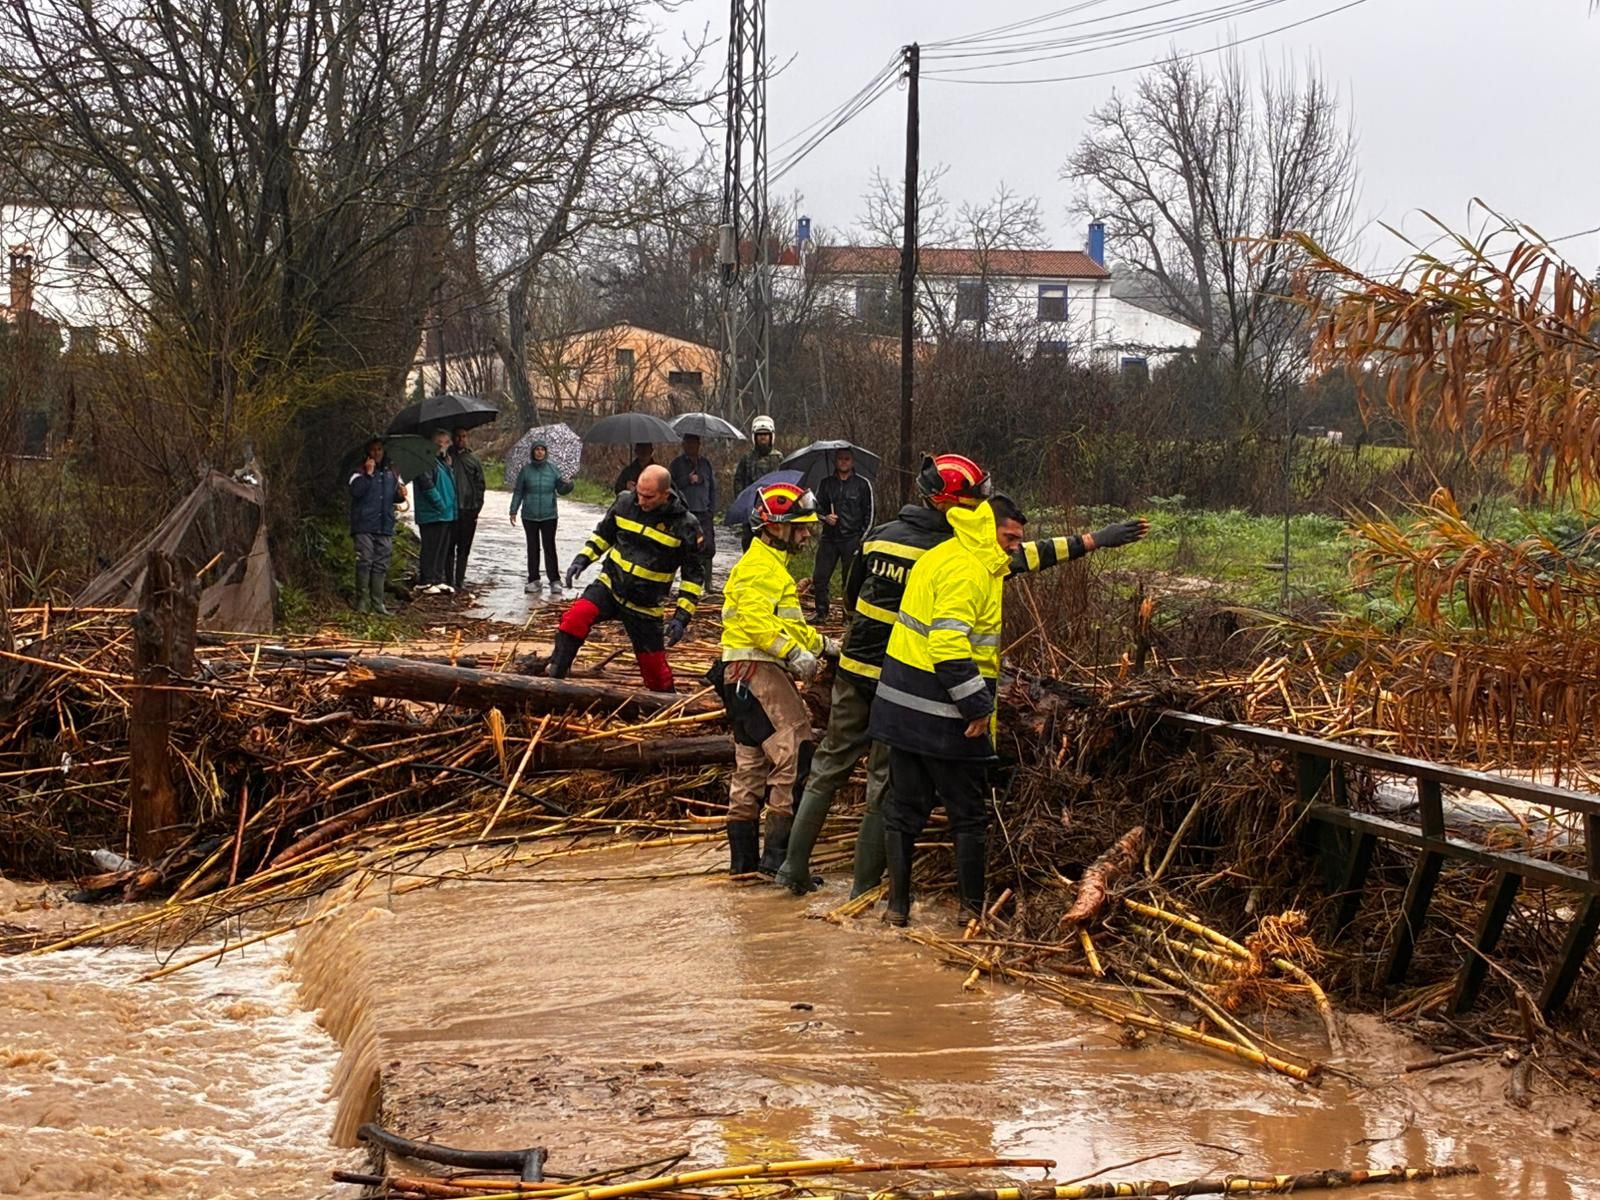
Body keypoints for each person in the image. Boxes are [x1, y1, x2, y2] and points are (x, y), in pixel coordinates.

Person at [773, 454, 1148, 896]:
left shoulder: (880, 536)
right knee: (883, 785)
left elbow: (851, 597)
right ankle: (865, 890)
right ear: (951, 503)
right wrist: (1093, 540)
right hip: (904, 683)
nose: (980, 509)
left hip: (855, 670)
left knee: (828, 768)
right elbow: (1025, 557)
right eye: (973, 500)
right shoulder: (957, 551)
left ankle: (791, 870)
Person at [867, 493, 1030, 927]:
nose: (1015, 545)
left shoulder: (949, 553)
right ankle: (971, 916)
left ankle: (897, 910)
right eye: (1009, 536)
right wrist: (977, 706)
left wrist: (1093, 540)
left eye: (1019, 539)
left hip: (902, 709)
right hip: (943, 717)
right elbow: (947, 644)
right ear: (987, 528)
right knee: (969, 815)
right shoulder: (970, 570)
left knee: (904, 810)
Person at [716, 482, 839, 875]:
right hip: (757, 671)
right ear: (775, 526)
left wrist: (824, 647)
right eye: (800, 527)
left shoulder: (770, 569)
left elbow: (787, 625)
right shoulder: (759, 568)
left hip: (741, 675)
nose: (805, 534)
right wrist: (792, 655)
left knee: (751, 763)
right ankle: (777, 863)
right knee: (796, 751)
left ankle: (743, 869)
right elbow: (755, 623)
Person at [552, 464, 705, 692]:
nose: (641, 501)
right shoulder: (625, 503)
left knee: (656, 674)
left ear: (666, 494)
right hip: (610, 586)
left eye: (649, 497)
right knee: (574, 619)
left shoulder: (686, 526)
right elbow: (603, 536)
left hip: (646, 605)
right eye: (639, 493)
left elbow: (693, 578)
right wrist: (582, 560)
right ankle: (554, 679)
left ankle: (664, 704)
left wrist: (681, 617)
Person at [811, 448, 872, 622]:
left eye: (847, 459)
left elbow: (870, 512)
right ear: (835, 461)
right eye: (840, 459)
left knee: (850, 581)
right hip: (829, 538)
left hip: (852, 539)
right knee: (820, 577)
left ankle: (848, 616)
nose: (843, 462)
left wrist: (863, 538)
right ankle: (821, 612)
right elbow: (816, 508)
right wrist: (825, 517)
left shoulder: (862, 484)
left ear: (852, 461)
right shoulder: (826, 484)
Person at [347, 437, 406, 615]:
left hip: (385, 524)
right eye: (373, 450)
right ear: (367, 453)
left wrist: (401, 495)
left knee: (381, 563)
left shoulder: (393, 471)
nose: (377, 453)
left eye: (379, 449)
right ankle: (362, 601)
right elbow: (356, 492)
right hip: (364, 523)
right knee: (364, 561)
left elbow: (395, 496)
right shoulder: (358, 471)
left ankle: (378, 603)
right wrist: (369, 474)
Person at [510, 440, 574, 592]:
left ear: (546, 452)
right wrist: (513, 510)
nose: (539, 452)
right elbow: (518, 491)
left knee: (549, 547)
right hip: (529, 515)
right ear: (532, 452)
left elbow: (561, 490)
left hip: (549, 515)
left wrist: (569, 484)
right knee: (533, 548)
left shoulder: (553, 470)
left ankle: (555, 580)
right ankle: (534, 579)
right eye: (536, 449)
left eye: (542, 449)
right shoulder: (525, 470)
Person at [413, 428, 458, 594]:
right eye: (439, 443)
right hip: (432, 513)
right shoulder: (425, 460)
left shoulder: (444, 462)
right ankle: (425, 581)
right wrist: (439, 504)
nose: (443, 446)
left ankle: (437, 579)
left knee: (442, 548)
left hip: (445, 513)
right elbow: (426, 485)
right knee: (430, 547)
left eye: (446, 443)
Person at [669, 432, 718, 584]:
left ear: (699, 445)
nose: (691, 446)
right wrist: (687, 480)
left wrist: (711, 510)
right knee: (683, 548)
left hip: (704, 512)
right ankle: (681, 581)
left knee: (708, 547)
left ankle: (707, 582)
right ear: (683, 445)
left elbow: (712, 488)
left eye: (694, 443)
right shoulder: (676, 464)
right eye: (688, 443)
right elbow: (671, 487)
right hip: (684, 513)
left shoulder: (705, 464)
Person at [732, 415, 783, 551]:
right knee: (749, 544)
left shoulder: (778, 458)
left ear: (771, 436)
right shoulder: (747, 458)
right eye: (760, 435)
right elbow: (738, 481)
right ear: (755, 437)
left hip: (773, 509)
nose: (763, 438)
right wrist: (742, 502)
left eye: (766, 434)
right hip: (751, 509)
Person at [448, 427, 486, 593]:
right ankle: (448, 579)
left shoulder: (473, 460)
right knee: (449, 547)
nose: (461, 439)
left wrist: (477, 507)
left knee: (464, 548)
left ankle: (460, 579)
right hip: (450, 510)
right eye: (457, 436)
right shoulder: (446, 458)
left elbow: (480, 485)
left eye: (463, 436)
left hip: (468, 510)